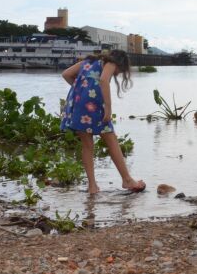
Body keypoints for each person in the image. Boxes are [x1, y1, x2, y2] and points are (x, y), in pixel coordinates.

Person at [60, 49, 145, 194]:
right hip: (93, 106)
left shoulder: (87, 62)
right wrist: (108, 107)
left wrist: (81, 89)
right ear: (119, 62)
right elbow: (104, 80)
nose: (118, 73)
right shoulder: (110, 63)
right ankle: (127, 180)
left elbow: (66, 74)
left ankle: (92, 186)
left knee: (87, 145)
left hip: (78, 104)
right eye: (121, 69)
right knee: (111, 140)